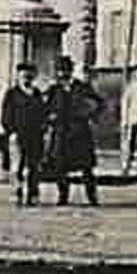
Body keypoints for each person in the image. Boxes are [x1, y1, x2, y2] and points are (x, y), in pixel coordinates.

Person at [44, 55, 102, 205]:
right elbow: (45, 109)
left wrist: (89, 114)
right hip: (61, 132)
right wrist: (50, 118)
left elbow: (99, 102)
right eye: (59, 71)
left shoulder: (81, 87)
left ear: (70, 71)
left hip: (80, 131)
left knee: (86, 167)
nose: (62, 74)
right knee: (59, 167)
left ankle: (92, 197)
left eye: (65, 70)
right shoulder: (53, 89)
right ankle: (63, 195)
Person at [0, 61, 47, 206]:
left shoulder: (37, 93)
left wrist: (43, 129)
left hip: (35, 136)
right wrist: (11, 132)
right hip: (18, 135)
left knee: (34, 166)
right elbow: (6, 116)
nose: (27, 78)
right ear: (18, 76)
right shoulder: (12, 94)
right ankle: (17, 192)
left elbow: (42, 113)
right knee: (17, 166)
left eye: (30, 76)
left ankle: (33, 194)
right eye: (24, 75)